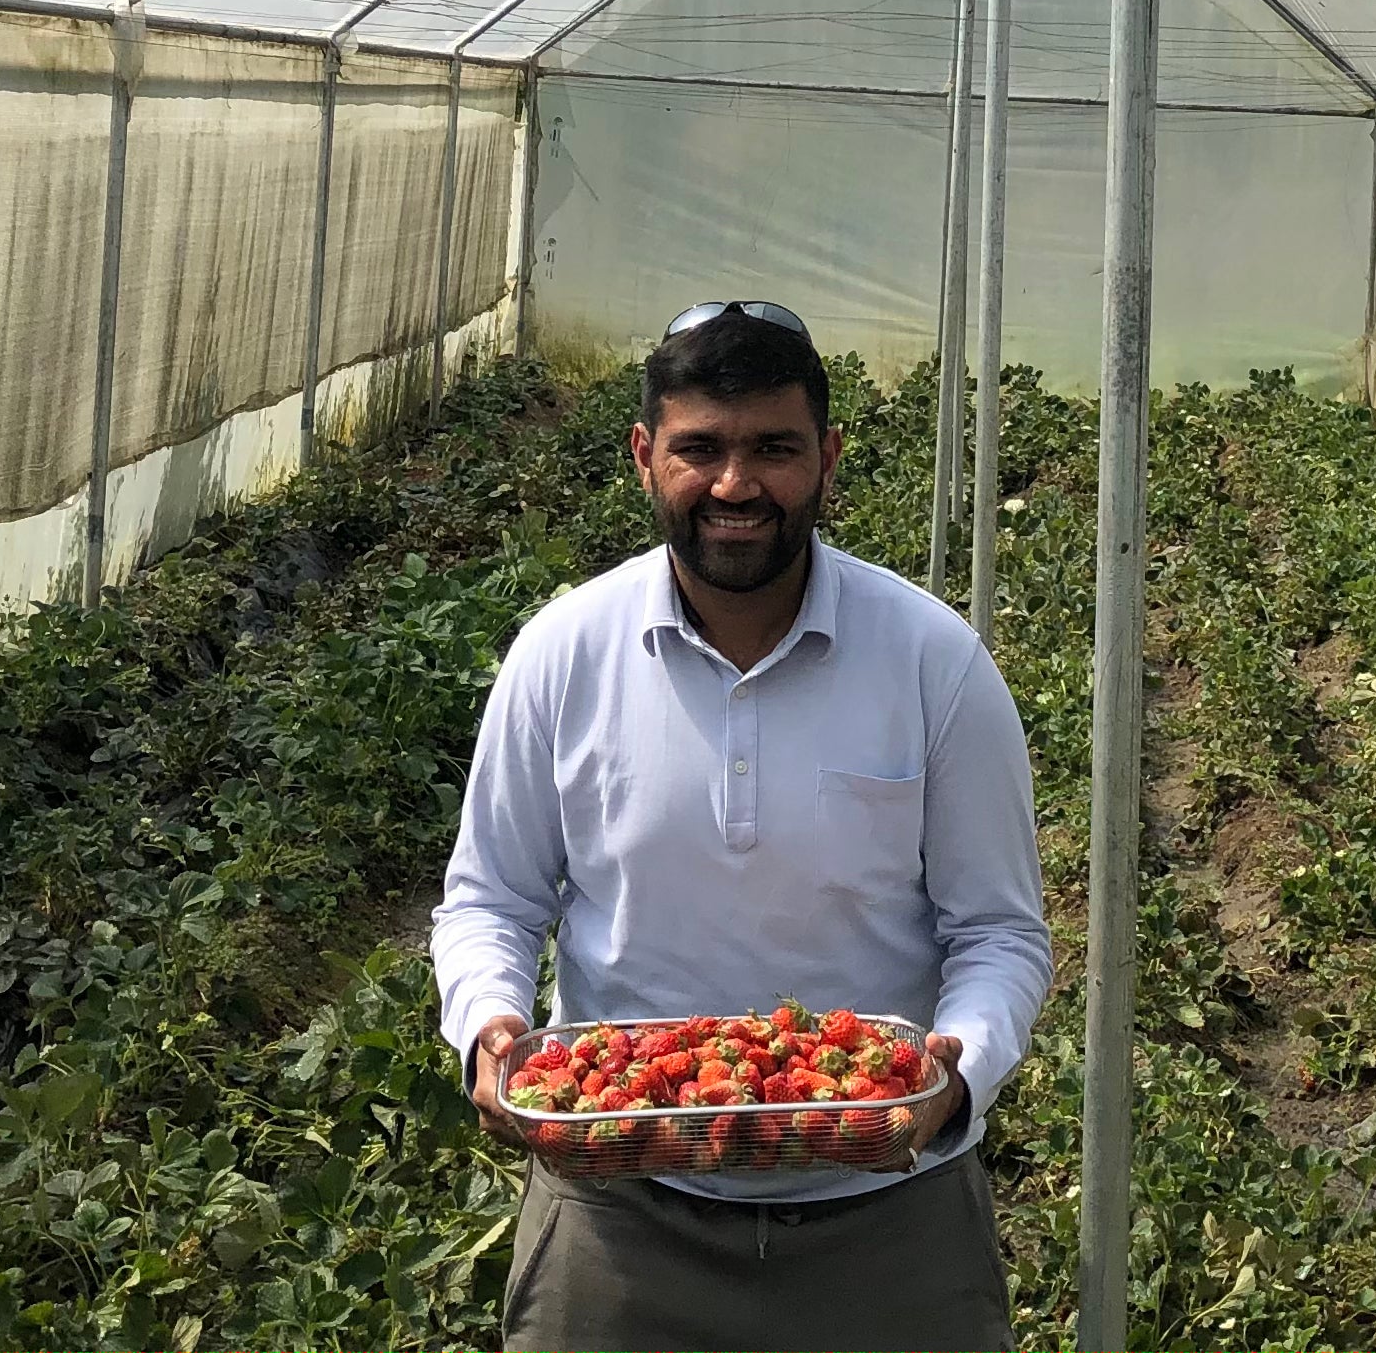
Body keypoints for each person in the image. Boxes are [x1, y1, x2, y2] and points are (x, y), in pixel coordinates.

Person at [431, 301, 1053, 1352]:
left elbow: (999, 931)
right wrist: (489, 1021)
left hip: (887, 1216)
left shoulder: (931, 661)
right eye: (699, 449)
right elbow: (491, 896)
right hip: (621, 1209)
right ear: (643, 455)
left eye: (774, 447)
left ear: (829, 457)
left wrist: (956, 1071)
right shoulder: (563, 655)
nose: (735, 484)